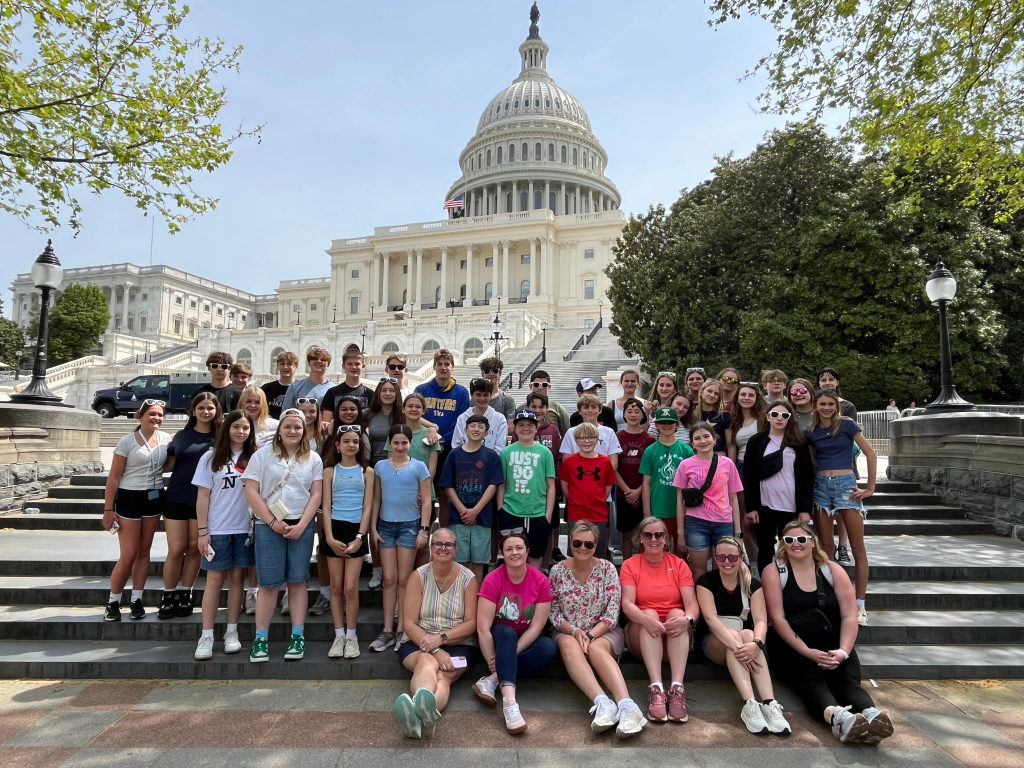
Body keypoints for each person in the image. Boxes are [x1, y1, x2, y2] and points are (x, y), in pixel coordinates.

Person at [763, 521, 894, 745]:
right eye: (789, 540)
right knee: (810, 679)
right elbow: (778, 619)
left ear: (812, 542)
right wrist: (808, 652)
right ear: (783, 545)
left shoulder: (831, 569)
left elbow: (849, 615)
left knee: (847, 680)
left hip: (833, 638)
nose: (796, 544)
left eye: (802, 539)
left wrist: (843, 651)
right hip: (793, 643)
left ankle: (872, 716)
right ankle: (839, 718)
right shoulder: (774, 571)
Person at [549, 521, 647, 738]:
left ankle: (628, 706)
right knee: (567, 643)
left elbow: (613, 612)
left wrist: (591, 635)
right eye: (577, 543)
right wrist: (574, 631)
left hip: (604, 630)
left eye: (588, 544)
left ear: (596, 545)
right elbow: (554, 611)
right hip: (567, 630)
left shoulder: (607, 569)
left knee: (595, 649)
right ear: (570, 545)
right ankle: (603, 703)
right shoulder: (557, 571)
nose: (582, 547)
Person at [242, 409, 324, 662]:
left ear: (304, 430)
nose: (292, 431)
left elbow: (317, 494)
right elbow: (251, 491)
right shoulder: (261, 455)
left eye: (297, 427)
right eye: (287, 426)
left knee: (298, 580)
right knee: (268, 584)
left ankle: (297, 636)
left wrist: (302, 524)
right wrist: (271, 521)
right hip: (269, 524)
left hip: (301, 523)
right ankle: (261, 638)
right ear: (279, 430)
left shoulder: (313, 458)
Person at [695, 536, 791, 734]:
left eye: (731, 557)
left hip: (742, 641)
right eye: (721, 557)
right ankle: (750, 704)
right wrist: (739, 647)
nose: (727, 562)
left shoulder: (752, 584)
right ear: (715, 558)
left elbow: (761, 621)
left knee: (749, 633)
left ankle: (769, 703)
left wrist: (756, 644)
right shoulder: (706, 582)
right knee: (735, 635)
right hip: (712, 642)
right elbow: (711, 619)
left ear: (740, 557)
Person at [394, 528, 479, 739]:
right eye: (438, 544)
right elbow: (410, 623)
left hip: (460, 643)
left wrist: (441, 640)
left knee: (444, 676)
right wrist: (434, 649)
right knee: (426, 662)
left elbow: (471, 623)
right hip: (418, 640)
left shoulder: (468, 579)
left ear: (455, 549)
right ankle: (422, 714)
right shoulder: (419, 576)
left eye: (448, 544)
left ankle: (414, 717)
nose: (443, 548)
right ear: (431, 548)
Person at [475, 531, 557, 735]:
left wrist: (509, 657)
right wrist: (490, 658)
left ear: (527, 551)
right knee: (506, 632)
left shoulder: (540, 580)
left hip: (525, 638)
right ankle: (510, 703)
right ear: (502, 553)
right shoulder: (493, 579)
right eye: (509, 549)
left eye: (519, 547)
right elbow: (483, 627)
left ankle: (492, 680)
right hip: (500, 637)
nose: (515, 552)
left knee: (548, 647)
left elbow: (536, 627)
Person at [806, 389, 876, 625]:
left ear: (836, 405)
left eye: (830, 404)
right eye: (822, 404)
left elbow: (870, 453)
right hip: (821, 486)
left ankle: (860, 604)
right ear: (815, 406)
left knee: (858, 550)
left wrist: (870, 488)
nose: (826, 408)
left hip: (846, 485)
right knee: (826, 548)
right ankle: (836, 600)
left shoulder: (847, 425)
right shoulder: (811, 431)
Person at [619, 516, 699, 724]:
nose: (653, 539)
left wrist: (688, 620)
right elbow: (627, 604)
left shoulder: (679, 564)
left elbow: (691, 604)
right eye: (648, 535)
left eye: (659, 535)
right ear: (641, 539)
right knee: (650, 614)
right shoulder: (630, 565)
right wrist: (647, 621)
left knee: (678, 614)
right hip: (642, 633)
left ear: (666, 539)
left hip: (673, 634)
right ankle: (656, 688)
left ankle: (677, 689)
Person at [193, 409, 256, 660]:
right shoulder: (210, 458)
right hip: (217, 529)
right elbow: (202, 496)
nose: (241, 431)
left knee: (237, 581)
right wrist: (202, 531)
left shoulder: (255, 458)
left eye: (245, 427)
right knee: (214, 581)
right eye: (236, 426)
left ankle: (232, 631)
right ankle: (206, 635)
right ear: (227, 428)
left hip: (244, 528)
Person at [102, 400, 172, 621]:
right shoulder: (127, 441)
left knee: (144, 551)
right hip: (129, 497)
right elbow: (114, 477)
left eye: (160, 415)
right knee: (129, 553)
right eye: (152, 414)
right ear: (140, 416)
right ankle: (113, 601)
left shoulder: (166, 439)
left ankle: (136, 599)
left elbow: (168, 465)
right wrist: (107, 509)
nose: (156, 419)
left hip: (154, 496)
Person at [369, 425, 433, 652]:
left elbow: (426, 500)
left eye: (404, 443)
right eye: (395, 443)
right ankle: (387, 629)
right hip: (385, 527)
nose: (399, 447)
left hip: (409, 527)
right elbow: (376, 500)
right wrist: (373, 528)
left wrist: (424, 530)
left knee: (405, 580)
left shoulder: (419, 467)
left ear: (409, 444)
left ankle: (403, 629)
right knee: (389, 580)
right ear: (389, 444)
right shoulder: (379, 467)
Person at [159, 391, 222, 620]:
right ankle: (169, 594)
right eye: (201, 408)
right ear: (193, 411)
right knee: (176, 549)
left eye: (210, 408)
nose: (206, 412)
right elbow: (168, 465)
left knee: (195, 548)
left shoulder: (220, 437)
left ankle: (186, 592)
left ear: (216, 411)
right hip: (176, 497)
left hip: (204, 501)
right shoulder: (181, 436)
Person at [320, 423, 374, 659]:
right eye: (347, 441)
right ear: (338, 446)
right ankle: (338, 634)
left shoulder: (367, 472)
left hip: (356, 531)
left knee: (351, 587)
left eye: (355, 441)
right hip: (334, 530)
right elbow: (326, 506)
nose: (351, 445)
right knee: (336, 586)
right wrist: (329, 537)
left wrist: (360, 538)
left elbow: (368, 506)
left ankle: (351, 636)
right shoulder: (329, 471)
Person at [743, 399, 815, 574]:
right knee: (765, 549)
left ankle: (792, 586)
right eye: (775, 414)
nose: (779, 418)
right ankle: (766, 587)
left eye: (784, 415)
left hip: (791, 505)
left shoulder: (798, 441)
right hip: (765, 505)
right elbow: (749, 475)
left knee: (792, 547)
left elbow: (807, 476)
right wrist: (751, 507)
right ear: (768, 417)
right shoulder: (756, 441)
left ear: (790, 418)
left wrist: (806, 509)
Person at [438, 414, 504, 582]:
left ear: (487, 433)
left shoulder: (491, 456)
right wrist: (462, 509)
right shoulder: (454, 455)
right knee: (459, 560)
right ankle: (460, 597)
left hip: (482, 517)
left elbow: (493, 485)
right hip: (458, 517)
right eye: (473, 426)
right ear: (465, 430)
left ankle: (477, 598)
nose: (476, 429)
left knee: (479, 561)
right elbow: (448, 485)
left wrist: (475, 511)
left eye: (481, 427)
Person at [674, 421, 743, 580]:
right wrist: (680, 533)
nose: (703, 441)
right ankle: (700, 604)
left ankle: (719, 604)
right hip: (696, 523)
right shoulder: (685, 465)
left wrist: (738, 532)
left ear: (715, 439)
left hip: (724, 523)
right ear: (692, 444)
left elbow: (733, 497)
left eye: (706, 436)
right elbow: (679, 500)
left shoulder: (727, 463)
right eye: (697, 438)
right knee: (698, 571)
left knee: (724, 570)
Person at [416, 348, 471, 527]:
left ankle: (443, 537)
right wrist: (430, 434)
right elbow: (415, 415)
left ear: (453, 367)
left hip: (448, 450)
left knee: (445, 496)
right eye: (439, 364)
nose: (443, 367)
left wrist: (442, 441)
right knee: (421, 494)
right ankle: (423, 533)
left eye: (447, 364)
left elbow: (460, 421)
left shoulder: (461, 392)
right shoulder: (422, 389)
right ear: (434, 367)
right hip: (423, 448)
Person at [497, 409, 556, 567]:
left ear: (536, 428)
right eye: (521, 424)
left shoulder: (545, 453)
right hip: (511, 510)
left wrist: (548, 514)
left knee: (535, 555)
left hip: (537, 512)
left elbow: (550, 485)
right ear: (515, 428)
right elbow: (502, 483)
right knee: (512, 554)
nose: (525, 428)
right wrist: (500, 509)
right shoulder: (506, 452)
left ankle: (532, 590)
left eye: (530, 425)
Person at [640, 407, 695, 544]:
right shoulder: (650, 451)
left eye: (670, 422)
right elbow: (646, 483)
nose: (666, 425)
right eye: (662, 422)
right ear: (656, 425)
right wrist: (647, 512)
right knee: (659, 547)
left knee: (681, 549)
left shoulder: (686, 450)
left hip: (681, 509)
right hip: (658, 508)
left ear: (677, 425)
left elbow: (693, 482)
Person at [522, 390, 565, 565]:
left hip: (548, 488)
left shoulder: (553, 430)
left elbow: (558, 458)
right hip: (527, 490)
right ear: (528, 407)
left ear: (547, 409)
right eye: (534, 406)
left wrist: (555, 482)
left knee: (547, 529)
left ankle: (546, 566)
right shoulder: (522, 428)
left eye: (541, 407)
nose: (538, 410)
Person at [560, 423, 616, 558]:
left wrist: (598, 500)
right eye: (582, 438)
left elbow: (608, 486)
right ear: (576, 441)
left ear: (597, 440)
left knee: (597, 552)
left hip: (598, 514)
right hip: (576, 513)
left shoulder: (605, 462)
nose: (586, 441)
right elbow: (564, 485)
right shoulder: (570, 461)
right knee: (577, 550)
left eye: (591, 438)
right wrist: (575, 499)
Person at [615, 397, 655, 560]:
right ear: (623, 415)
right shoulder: (617, 437)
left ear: (643, 415)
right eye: (629, 411)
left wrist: (639, 491)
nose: (633, 414)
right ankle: (627, 567)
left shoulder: (649, 439)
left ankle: (642, 566)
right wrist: (627, 491)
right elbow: (614, 467)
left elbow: (651, 471)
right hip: (623, 493)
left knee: (643, 534)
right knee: (626, 534)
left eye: (637, 411)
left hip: (643, 493)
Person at [452, 378, 508, 452]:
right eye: (478, 395)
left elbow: (500, 446)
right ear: (472, 395)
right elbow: (457, 444)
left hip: (491, 461)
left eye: (485, 395)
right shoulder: (462, 418)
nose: (482, 398)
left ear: (490, 395)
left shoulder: (500, 419)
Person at [322, 347, 374, 420]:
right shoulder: (332, 393)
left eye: (357, 364)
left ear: (363, 366)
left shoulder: (370, 394)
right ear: (343, 366)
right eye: (349, 364)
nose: (353, 367)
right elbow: (326, 423)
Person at [363, 376, 405, 466]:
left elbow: (418, 421)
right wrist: (332, 422)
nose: (388, 393)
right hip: (372, 464)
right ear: (378, 393)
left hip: (398, 464)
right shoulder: (369, 413)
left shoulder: (403, 414)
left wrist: (432, 428)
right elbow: (349, 416)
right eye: (384, 390)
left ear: (397, 393)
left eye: (392, 390)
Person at [281, 346, 334, 412]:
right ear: (309, 363)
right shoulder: (295, 387)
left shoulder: (334, 389)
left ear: (328, 365)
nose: (319, 361)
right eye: (315, 359)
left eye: (323, 359)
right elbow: (286, 413)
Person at [694, 378, 735, 459]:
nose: (712, 395)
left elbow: (730, 445)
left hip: (719, 457)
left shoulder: (725, 415)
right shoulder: (693, 415)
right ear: (701, 391)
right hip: (697, 457)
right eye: (709, 391)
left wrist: (731, 466)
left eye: (716, 394)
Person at [732, 383, 767, 473]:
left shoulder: (764, 419)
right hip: (741, 465)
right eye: (743, 394)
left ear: (756, 398)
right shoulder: (733, 421)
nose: (746, 398)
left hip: (761, 464)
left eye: (751, 395)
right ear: (737, 397)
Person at [524, 370, 570, 435]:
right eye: (536, 384)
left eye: (544, 385)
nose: (540, 388)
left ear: (549, 387)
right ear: (530, 386)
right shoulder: (521, 409)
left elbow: (566, 432)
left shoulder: (557, 408)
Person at [478, 356, 516, 427]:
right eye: (487, 371)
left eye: (495, 371)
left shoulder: (508, 400)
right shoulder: (476, 399)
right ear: (482, 374)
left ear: (500, 374)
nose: (491, 374)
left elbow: (510, 427)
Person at [262, 350, 299, 419]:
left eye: (289, 364)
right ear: (277, 366)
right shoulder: (266, 388)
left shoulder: (300, 388)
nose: (285, 367)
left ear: (296, 366)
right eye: (282, 364)